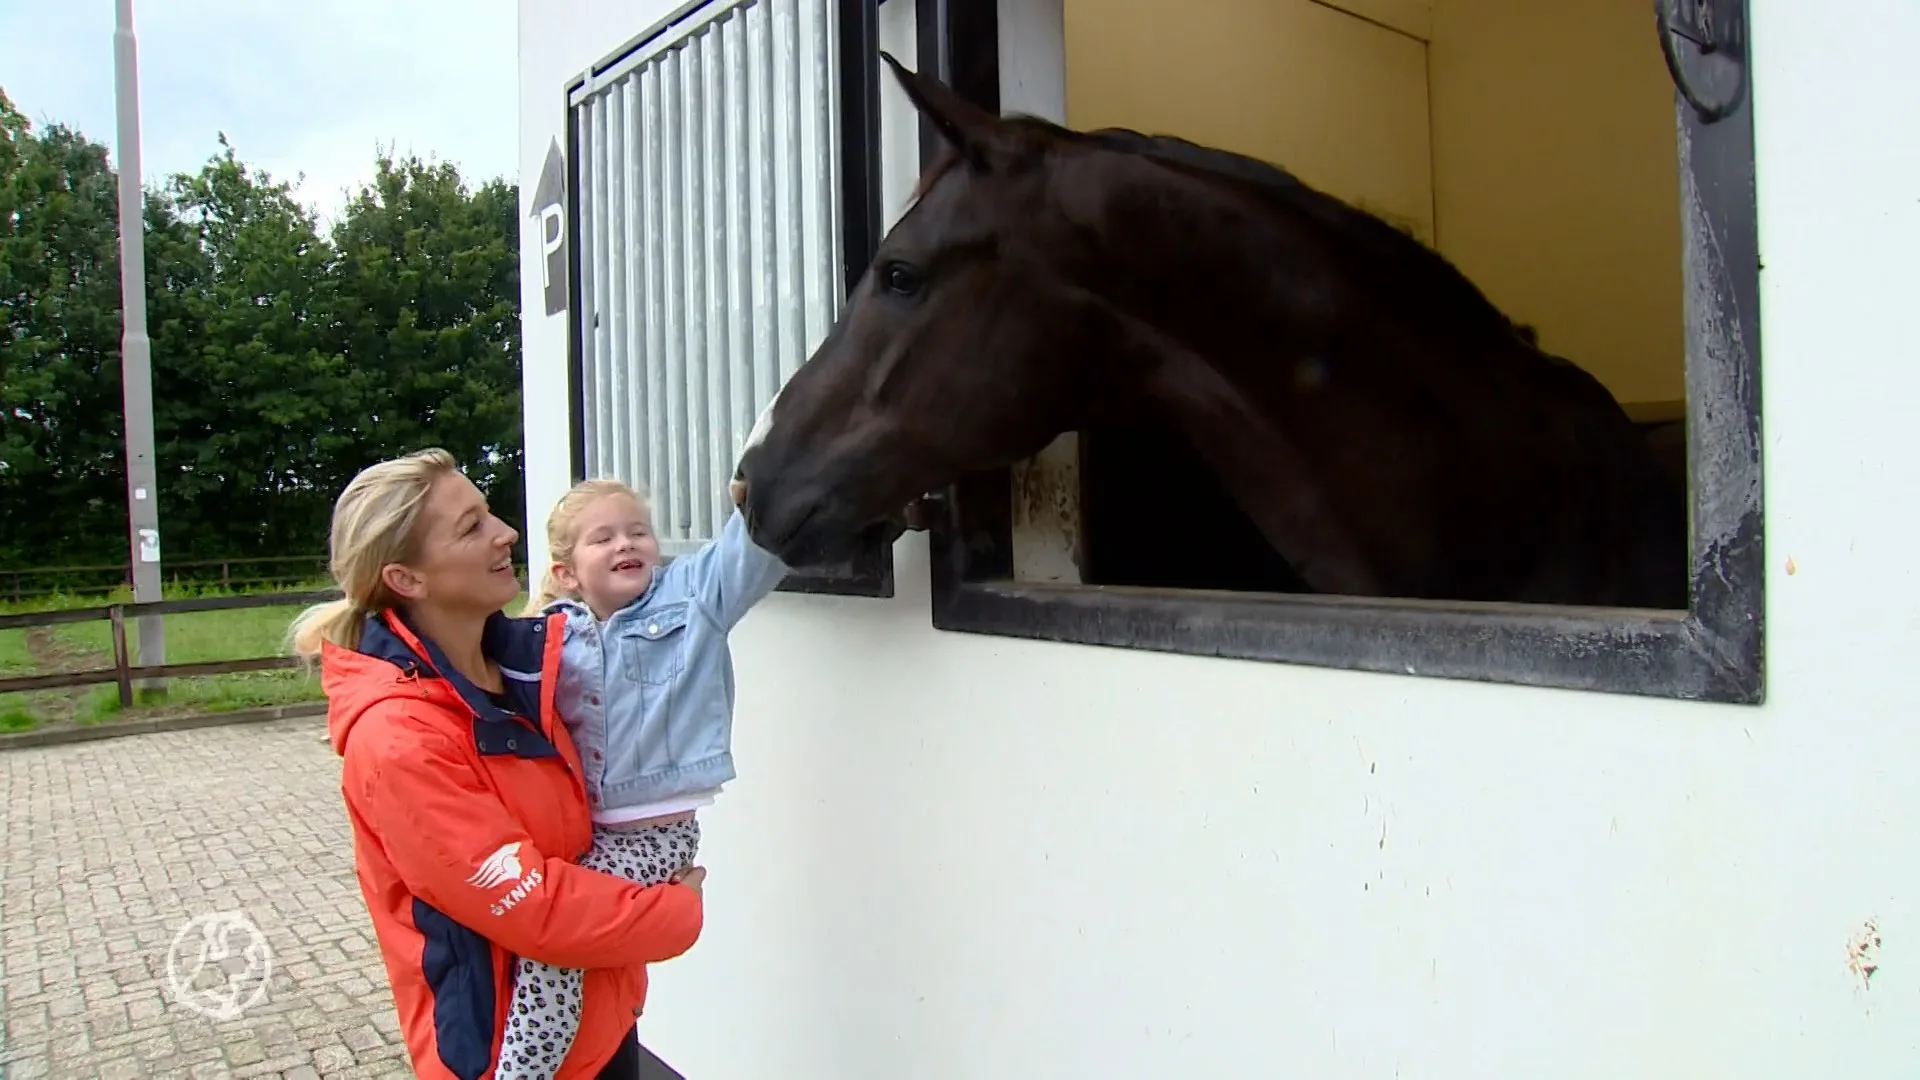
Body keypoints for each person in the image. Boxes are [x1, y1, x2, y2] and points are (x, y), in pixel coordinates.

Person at [290, 447, 705, 1080]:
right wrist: (676, 913)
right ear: (407, 579)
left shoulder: (525, 671)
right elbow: (532, 906)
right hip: (511, 1058)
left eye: (489, 513)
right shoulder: (398, 738)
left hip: (602, 1020)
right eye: (471, 526)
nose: (505, 533)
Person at [487, 470, 790, 1080]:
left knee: (551, 950)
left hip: (653, 836)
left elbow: (748, 551)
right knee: (552, 949)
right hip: (581, 830)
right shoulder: (547, 635)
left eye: (638, 532)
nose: (626, 544)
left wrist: (768, 489)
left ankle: (521, 1074)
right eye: (603, 538)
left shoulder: (692, 597)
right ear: (567, 571)